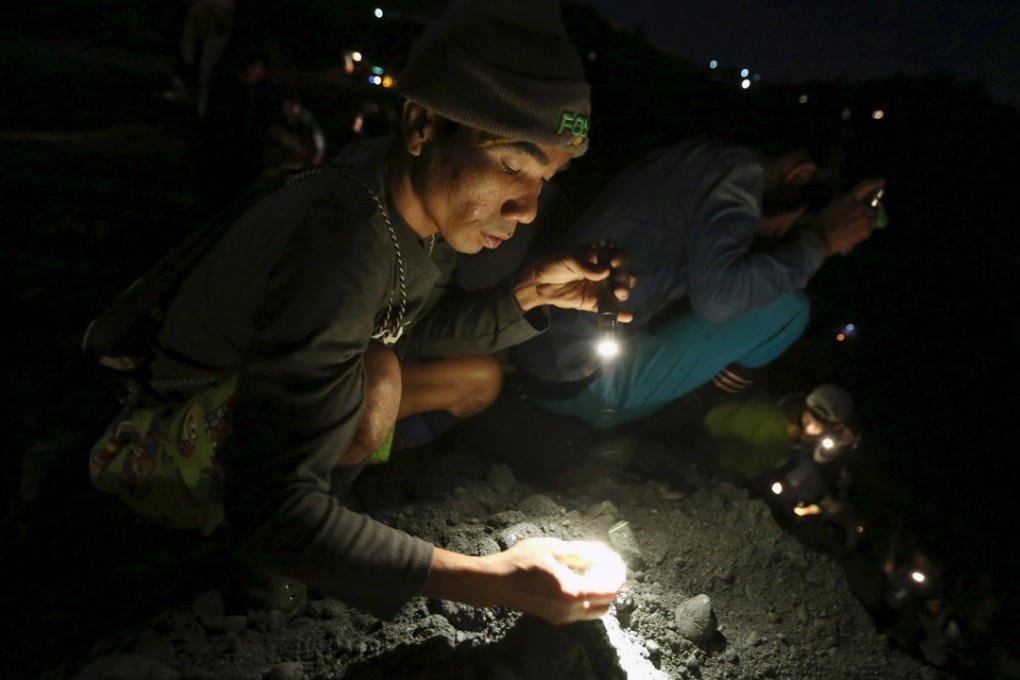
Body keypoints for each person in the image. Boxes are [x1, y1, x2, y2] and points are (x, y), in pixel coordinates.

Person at [87, 0, 632, 625]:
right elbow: (271, 509)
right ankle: (260, 574)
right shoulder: (341, 241)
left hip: (245, 409)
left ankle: (338, 506)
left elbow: (408, 325)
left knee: (474, 377)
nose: (529, 209)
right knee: (377, 381)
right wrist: (491, 580)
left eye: (548, 179)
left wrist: (531, 293)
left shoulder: (405, 200)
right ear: (423, 123)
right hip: (149, 449)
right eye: (512, 166)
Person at [511, 108, 885, 433]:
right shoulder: (740, 174)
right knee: (789, 310)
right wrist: (820, 241)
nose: (784, 229)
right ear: (800, 173)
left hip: (535, 345)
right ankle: (690, 414)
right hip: (572, 379)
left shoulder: (700, 158)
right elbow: (718, 300)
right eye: (796, 218)